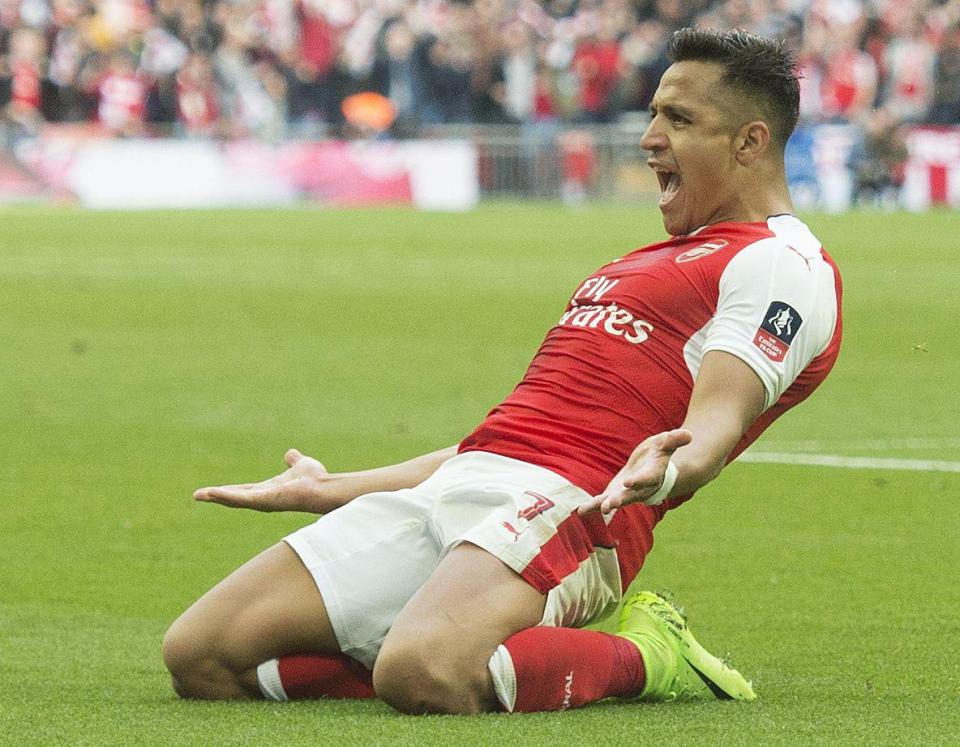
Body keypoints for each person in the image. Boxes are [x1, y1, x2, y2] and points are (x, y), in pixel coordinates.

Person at [162, 28, 843, 714]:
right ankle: (449, 643)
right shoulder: (632, 265)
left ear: (750, 143)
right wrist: (329, 487)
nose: (649, 137)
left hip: (574, 504)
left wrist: (664, 470)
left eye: (679, 119)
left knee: (424, 671)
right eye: (654, 113)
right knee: (201, 654)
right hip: (463, 486)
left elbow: (711, 428)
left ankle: (650, 655)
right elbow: (500, 443)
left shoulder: (780, 263)